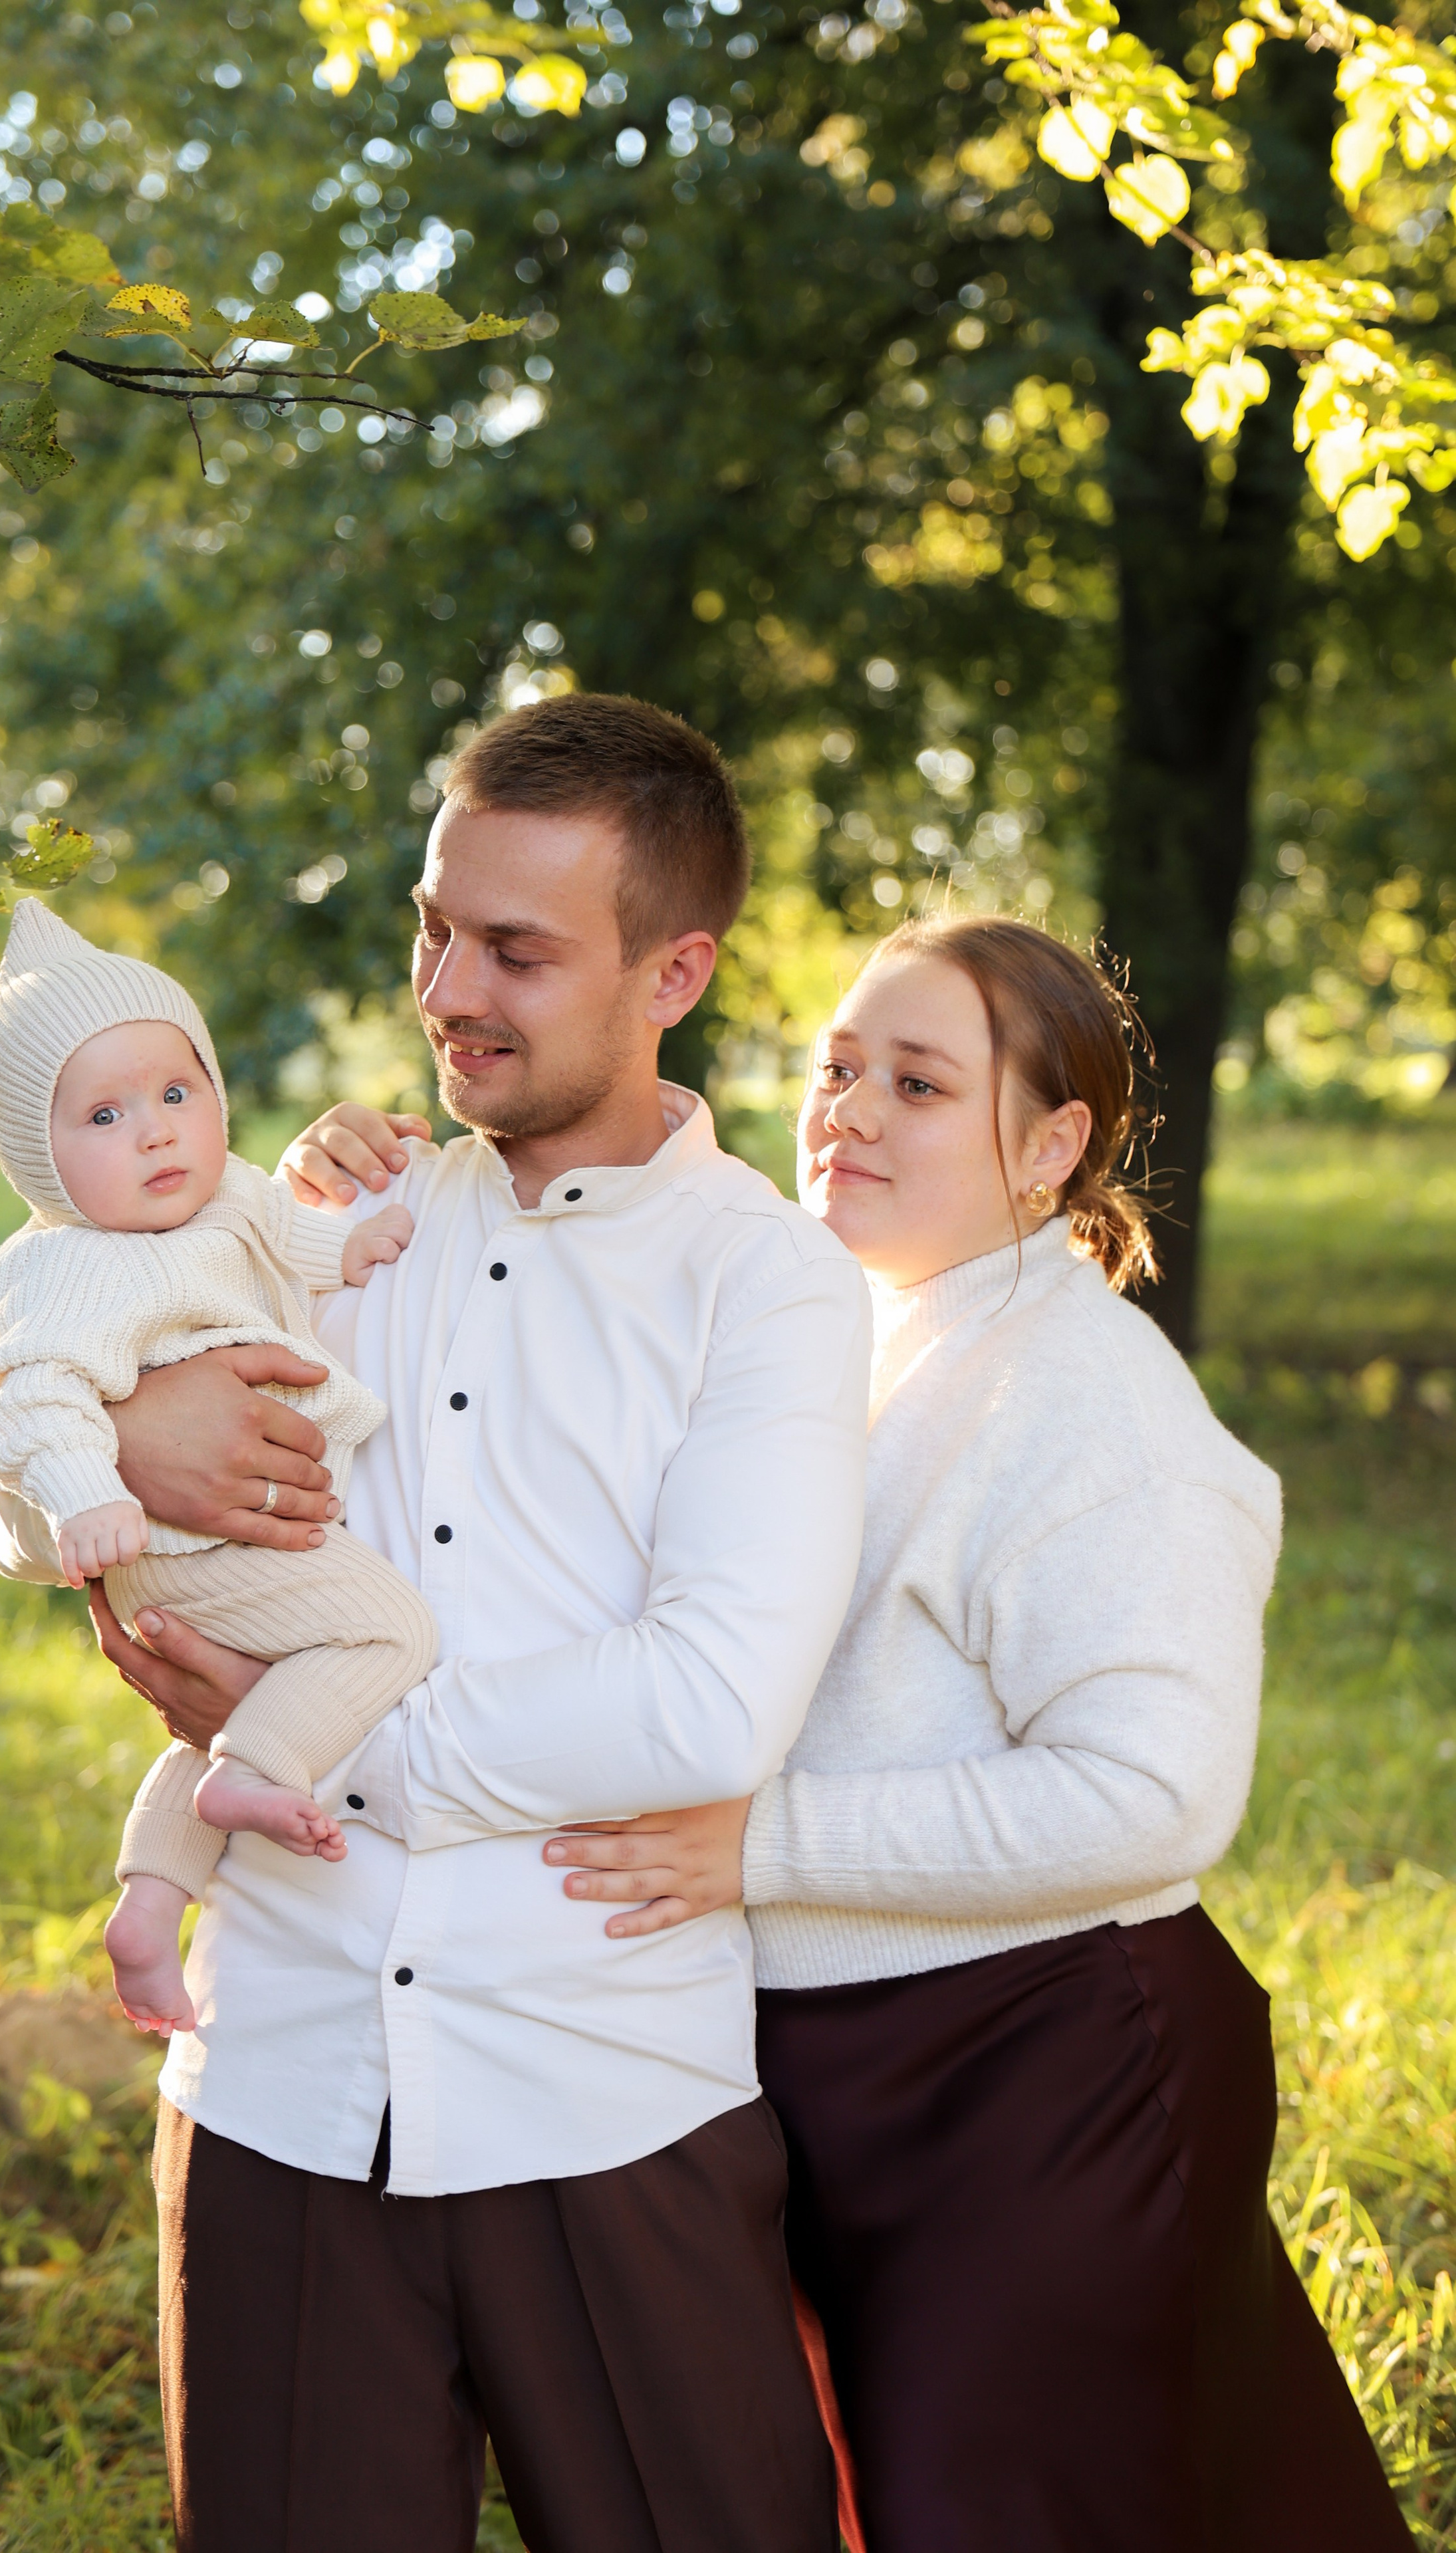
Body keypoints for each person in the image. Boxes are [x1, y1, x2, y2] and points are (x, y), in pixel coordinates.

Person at [36, 695, 874, 2553]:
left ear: (676, 970)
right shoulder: (329, 1227)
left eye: (516, 950)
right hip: (282, 2075)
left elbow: (706, 1705)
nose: (447, 987)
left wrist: (302, 1723)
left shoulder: (770, 1285)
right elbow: (42, 1464)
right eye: (434, 925)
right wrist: (127, 1437)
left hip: (607, 2095)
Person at [542, 913, 1414, 2550]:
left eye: (919, 1084)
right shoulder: (852, 1337)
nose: (846, 1113)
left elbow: (1153, 1795)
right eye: (836, 1066)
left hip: (1041, 2070)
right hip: (850, 2074)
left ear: (1050, 1145)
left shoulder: (1090, 1405)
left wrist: (756, 1849)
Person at [0, 901, 433, 2038]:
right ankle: (255, 1781)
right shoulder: (69, 1265)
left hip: (214, 1543)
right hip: (178, 1547)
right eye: (105, 1115)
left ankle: (148, 1900)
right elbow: (30, 1394)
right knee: (389, 1635)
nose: (155, 1134)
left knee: (251, 1704)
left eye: (178, 1095)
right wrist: (89, 1489)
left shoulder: (222, 1195)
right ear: (40, 1157)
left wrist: (349, 1247)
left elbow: (276, 1236)